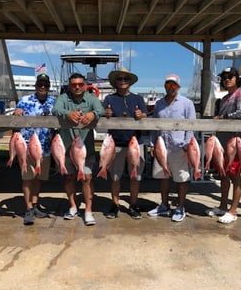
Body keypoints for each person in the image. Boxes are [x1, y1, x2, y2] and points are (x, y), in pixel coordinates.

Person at [52, 73, 105, 226]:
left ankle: (88, 210)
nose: (77, 87)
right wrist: (67, 113)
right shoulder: (63, 98)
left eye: (80, 84)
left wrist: (93, 114)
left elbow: (100, 109)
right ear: (70, 86)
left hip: (85, 148)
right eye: (74, 84)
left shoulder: (91, 98)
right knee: (68, 177)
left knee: (86, 178)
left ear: (85, 85)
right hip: (66, 146)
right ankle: (73, 206)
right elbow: (55, 109)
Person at [147, 74, 196, 222]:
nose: (171, 87)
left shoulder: (187, 103)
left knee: (181, 178)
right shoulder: (159, 104)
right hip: (162, 146)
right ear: (165, 86)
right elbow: (154, 125)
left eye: (173, 85)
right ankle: (164, 205)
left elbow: (191, 126)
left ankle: (180, 207)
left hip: (179, 147)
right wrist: (152, 143)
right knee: (163, 176)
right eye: (168, 85)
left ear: (179, 87)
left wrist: (187, 145)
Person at [103, 67, 148, 220]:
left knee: (135, 176)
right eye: (120, 79)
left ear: (130, 82)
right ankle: (115, 204)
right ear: (115, 82)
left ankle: (133, 204)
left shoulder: (138, 99)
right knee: (115, 177)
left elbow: (145, 115)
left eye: (126, 79)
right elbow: (104, 113)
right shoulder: (109, 99)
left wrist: (141, 115)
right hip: (115, 144)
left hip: (135, 142)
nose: (123, 81)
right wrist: (106, 114)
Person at [205, 67, 241, 224]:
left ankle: (233, 210)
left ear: (237, 78)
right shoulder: (223, 99)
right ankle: (223, 206)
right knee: (223, 175)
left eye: (230, 76)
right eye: (224, 77)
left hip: (234, 142)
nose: (227, 79)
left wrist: (222, 117)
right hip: (221, 143)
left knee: (235, 175)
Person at [13, 73, 56, 225]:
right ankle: (28, 208)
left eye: (45, 85)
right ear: (36, 86)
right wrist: (16, 113)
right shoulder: (24, 100)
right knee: (27, 178)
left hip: (45, 147)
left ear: (49, 87)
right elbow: (15, 116)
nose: (42, 87)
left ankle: (36, 204)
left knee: (39, 178)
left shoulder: (53, 102)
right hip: (25, 146)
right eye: (40, 84)